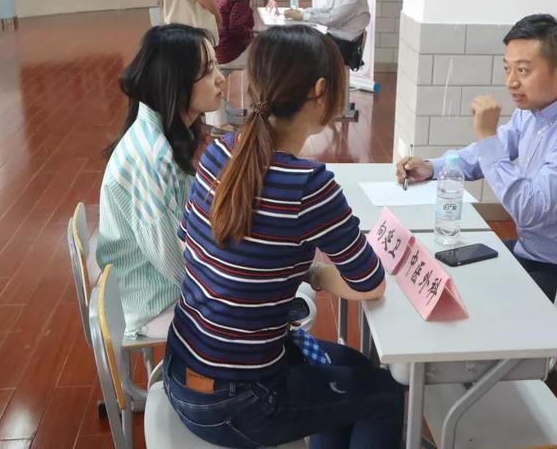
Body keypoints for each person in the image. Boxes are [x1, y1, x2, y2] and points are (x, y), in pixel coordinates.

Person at [163, 25, 404, 449]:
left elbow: (194, 245)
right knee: (385, 397)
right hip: (239, 401)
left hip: (181, 371)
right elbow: (371, 284)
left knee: (351, 366)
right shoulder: (308, 185)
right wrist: (317, 275)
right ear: (321, 91)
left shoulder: (219, 152)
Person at [397, 14, 557, 302]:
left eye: (523, 70)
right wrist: (433, 167)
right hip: (534, 252)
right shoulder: (535, 110)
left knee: (468, 300)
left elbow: (529, 208)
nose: (511, 82)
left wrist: (487, 136)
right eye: (507, 69)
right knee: (437, 270)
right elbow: (490, 151)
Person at [96, 24, 225, 338]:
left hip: (163, 284)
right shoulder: (151, 156)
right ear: (176, 82)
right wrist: (228, 289)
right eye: (208, 71)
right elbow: (170, 258)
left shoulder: (164, 132)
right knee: (267, 312)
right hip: (153, 302)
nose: (221, 78)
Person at [214, 0, 265, 67]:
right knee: (262, 55)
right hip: (229, 51)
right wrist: (251, 35)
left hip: (218, 47)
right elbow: (235, 27)